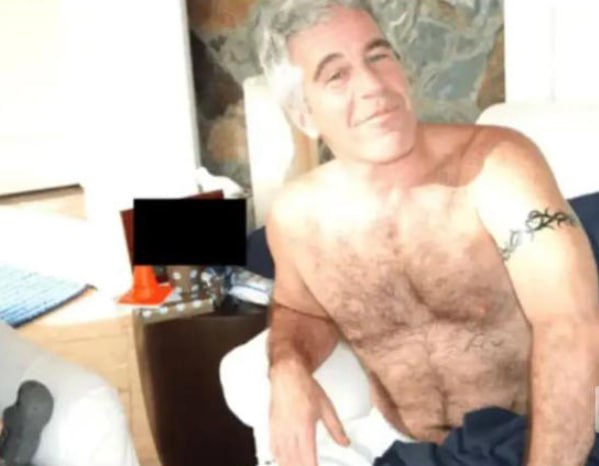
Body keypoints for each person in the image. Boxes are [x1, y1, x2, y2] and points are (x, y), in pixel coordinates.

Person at [252, 1, 599, 465]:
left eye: (378, 56)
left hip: (532, 443)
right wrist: (288, 366)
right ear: (305, 116)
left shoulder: (496, 166)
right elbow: (300, 308)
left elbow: (568, 322)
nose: (373, 86)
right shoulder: (298, 218)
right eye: (336, 75)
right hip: (413, 454)